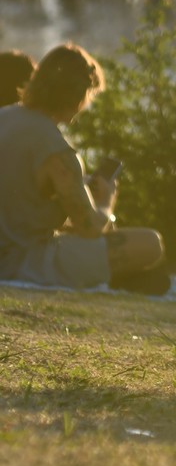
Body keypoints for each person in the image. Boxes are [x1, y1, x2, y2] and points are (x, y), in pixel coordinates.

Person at [0, 44, 164, 289]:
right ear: (80, 96)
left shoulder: (5, 116)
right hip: (21, 262)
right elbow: (90, 230)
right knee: (150, 244)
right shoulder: (57, 152)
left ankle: (111, 275)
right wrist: (106, 203)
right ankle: (113, 276)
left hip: (11, 251)